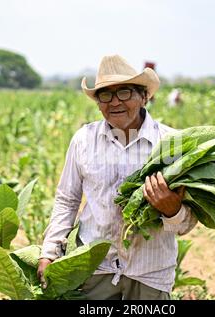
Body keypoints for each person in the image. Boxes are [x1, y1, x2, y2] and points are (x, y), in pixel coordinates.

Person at [37, 55, 197, 300]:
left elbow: (187, 224)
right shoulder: (84, 140)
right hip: (94, 271)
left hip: (150, 274)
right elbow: (67, 200)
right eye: (105, 95)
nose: (114, 102)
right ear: (98, 101)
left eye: (124, 92)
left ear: (144, 96)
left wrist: (172, 210)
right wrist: (49, 252)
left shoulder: (172, 144)